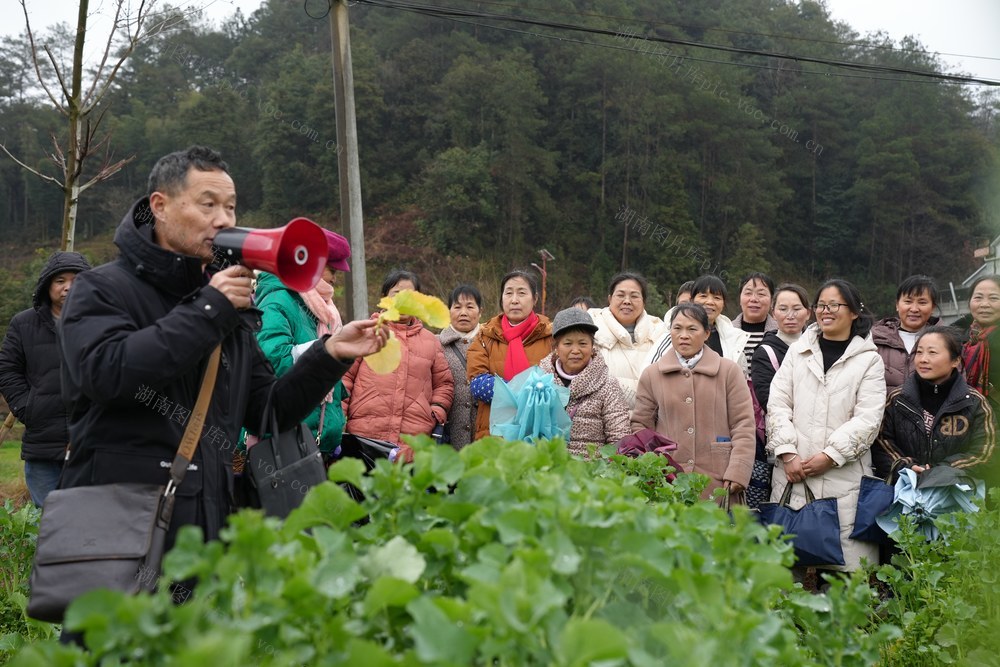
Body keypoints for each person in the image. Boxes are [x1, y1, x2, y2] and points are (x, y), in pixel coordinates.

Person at [57, 146, 387, 554]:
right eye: (207, 204)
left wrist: (331, 353)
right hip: (119, 530)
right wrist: (209, 309)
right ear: (159, 206)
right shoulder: (101, 288)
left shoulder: (225, 308)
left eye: (230, 207)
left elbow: (268, 410)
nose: (224, 220)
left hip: (204, 529)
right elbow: (106, 375)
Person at [766, 278, 886, 574]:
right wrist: (787, 451)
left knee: (844, 577)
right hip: (794, 472)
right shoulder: (798, 352)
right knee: (787, 570)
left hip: (843, 478)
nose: (825, 311)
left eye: (834, 305)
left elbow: (869, 418)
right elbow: (778, 403)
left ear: (854, 312)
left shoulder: (869, 360)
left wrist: (831, 455)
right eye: (821, 305)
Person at [632, 302, 756, 501]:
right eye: (677, 328)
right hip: (668, 480)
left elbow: (743, 424)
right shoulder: (652, 374)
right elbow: (641, 425)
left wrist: (738, 471)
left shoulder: (728, 371)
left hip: (719, 478)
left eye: (692, 329)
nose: (684, 335)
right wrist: (653, 467)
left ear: (707, 333)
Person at [0, 251, 92, 507]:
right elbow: (7, 369)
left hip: (92, 442)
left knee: (89, 517)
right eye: (60, 280)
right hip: (42, 441)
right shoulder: (23, 324)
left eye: (76, 280)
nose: (68, 287)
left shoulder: (104, 320)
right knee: (48, 518)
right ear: (47, 285)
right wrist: (27, 407)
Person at [253, 229, 352, 462]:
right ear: (311, 264)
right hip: (287, 444)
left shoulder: (322, 309)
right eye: (332, 270)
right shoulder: (278, 301)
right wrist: (327, 351)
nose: (335, 279)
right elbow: (272, 361)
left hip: (314, 442)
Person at [341, 270, 454, 447]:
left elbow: (444, 384)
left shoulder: (431, 341)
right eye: (397, 294)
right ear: (384, 298)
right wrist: (340, 420)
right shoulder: (366, 333)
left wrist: (435, 412)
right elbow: (344, 379)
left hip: (412, 442)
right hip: (365, 438)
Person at [874, 326, 996, 486]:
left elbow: (986, 452)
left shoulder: (974, 402)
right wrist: (906, 466)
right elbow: (882, 442)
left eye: (932, 352)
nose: (923, 359)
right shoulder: (897, 399)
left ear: (956, 360)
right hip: (905, 489)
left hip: (955, 490)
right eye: (919, 352)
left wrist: (941, 472)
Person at [467, 270, 553, 440]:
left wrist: (505, 390)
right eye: (508, 293)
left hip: (538, 432)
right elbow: (477, 384)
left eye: (521, 293)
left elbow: (559, 383)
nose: (514, 300)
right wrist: (529, 391)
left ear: (535, 299)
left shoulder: (551, 337)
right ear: (501, 298)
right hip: (493, 434)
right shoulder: (485, 336)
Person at [538, 307, 630, 457]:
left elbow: (619, 438)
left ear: (592, 346)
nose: (575, 350)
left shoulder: (607, 385)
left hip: (593, 468)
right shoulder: (540, 382)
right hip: (547, 467)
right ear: (556, 347)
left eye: (582, 343)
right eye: (568, 343)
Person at [588, 272, 667, 408]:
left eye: (634, 296)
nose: (627, 301)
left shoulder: (660, 334)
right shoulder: (591, 331)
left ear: (644, 302)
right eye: (620, 295)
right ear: (609, 299)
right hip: (602, 417)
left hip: (649, 418)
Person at [646, 274, 750, 374]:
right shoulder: (671, 333)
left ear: (723, 304)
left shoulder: (732, 339)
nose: (710, 302)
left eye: (717, 298)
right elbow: (649, 376)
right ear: (692, 300)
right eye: (703, 296)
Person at [750, 284, 812, 411]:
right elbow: (768, 401)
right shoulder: (764, 353)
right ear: (773, 313)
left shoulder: (819, 345)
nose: (790, 316)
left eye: (797, 308)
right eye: (783, 309)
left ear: (808, 313)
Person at [872, 275, 939, 392]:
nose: (914, 309)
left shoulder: (946, 342)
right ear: (897, 305)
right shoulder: (875, 340)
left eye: (922, 302)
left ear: (933, 307)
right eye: (908, 301)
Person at [438, 284, 483, 449]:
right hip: (447, 435)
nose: (463, 313)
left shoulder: (492, 343)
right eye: (457, 307)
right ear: (449, 311)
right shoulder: (435, 344)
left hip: (484, 435)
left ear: (480, 312)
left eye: (470, 307)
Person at [962, 275, 1000, 409]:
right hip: (965, 415)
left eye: (993, 298)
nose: (984, 304)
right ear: (969, 302)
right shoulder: (955, 339)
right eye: (978, 297)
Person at [732, 272, 778, 368]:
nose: (754, 299)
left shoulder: (780, 332)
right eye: (748, 293)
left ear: (772, 301)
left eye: (761, 294)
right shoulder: (727, 331)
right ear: (740, 298)